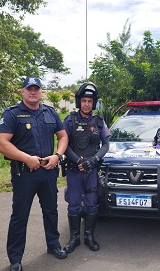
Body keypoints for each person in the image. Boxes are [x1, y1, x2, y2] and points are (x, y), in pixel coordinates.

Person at [0, 77, 69, 271]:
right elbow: (2, 143)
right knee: (20, 215)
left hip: (48, 171)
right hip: (24, 173)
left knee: (51, 211)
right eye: (29, 89)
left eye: (36, 89)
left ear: (41, 92)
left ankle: (53, 245)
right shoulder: (12, 113)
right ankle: (16, 258)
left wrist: (58, 156)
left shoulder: (50, 112)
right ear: (23, 91)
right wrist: (26, 158)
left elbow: (63, 136)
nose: (33, 92)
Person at [62, 82, 110, 253]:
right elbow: (63, 144)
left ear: (94, 103)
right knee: (74, 203)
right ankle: (74, 238)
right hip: (75, 170)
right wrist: (77, 161)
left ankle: (89, 236)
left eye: (90, 101)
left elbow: (106, 145)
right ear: (79, 102)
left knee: (92, 203)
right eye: (84, 100)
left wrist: (95, 159)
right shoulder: (70, 120)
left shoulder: (99, 121)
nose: (87, 104)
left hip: (92, 171)